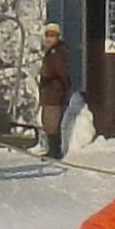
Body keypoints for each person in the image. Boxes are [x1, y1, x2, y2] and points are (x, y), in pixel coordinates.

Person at [36, 23, 72, 159]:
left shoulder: (55, 53)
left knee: (52, 122)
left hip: (53, 92)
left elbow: (61, 72)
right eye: (47, 36)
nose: (49, 39)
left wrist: (63, 86)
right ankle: (53, 149)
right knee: (49, 121)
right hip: (50, 92)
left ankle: (54, 151)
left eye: (52, 36)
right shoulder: (53, 52)